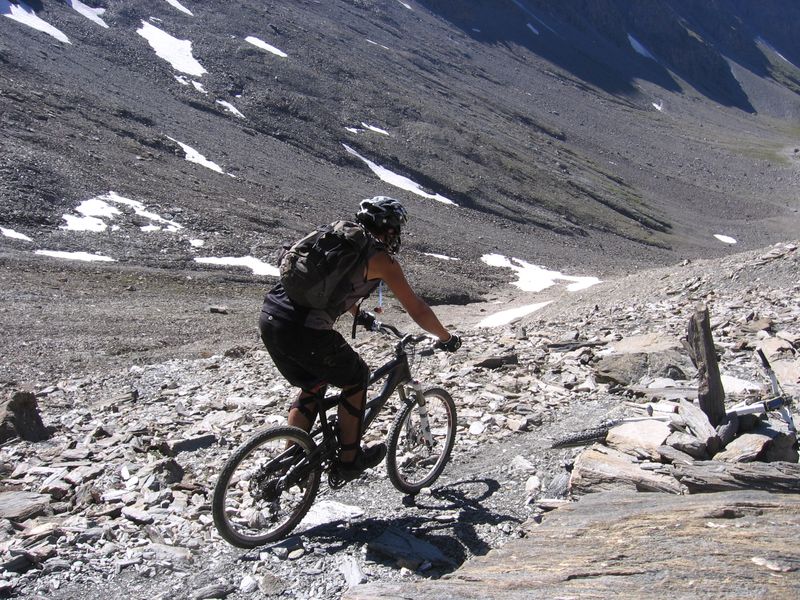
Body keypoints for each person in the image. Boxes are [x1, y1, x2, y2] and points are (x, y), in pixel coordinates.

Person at [259, 196, 461, 480]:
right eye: (397, 228)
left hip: (271, 317)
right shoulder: (380, 258)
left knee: (313, 384)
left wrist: (360, 314)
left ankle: (290, 463)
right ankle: (350, 460)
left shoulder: (335, 237)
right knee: (357, 378)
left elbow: (332, 284)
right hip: (305, 330)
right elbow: (416, 307)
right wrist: (446, 337)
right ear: (389, 229)